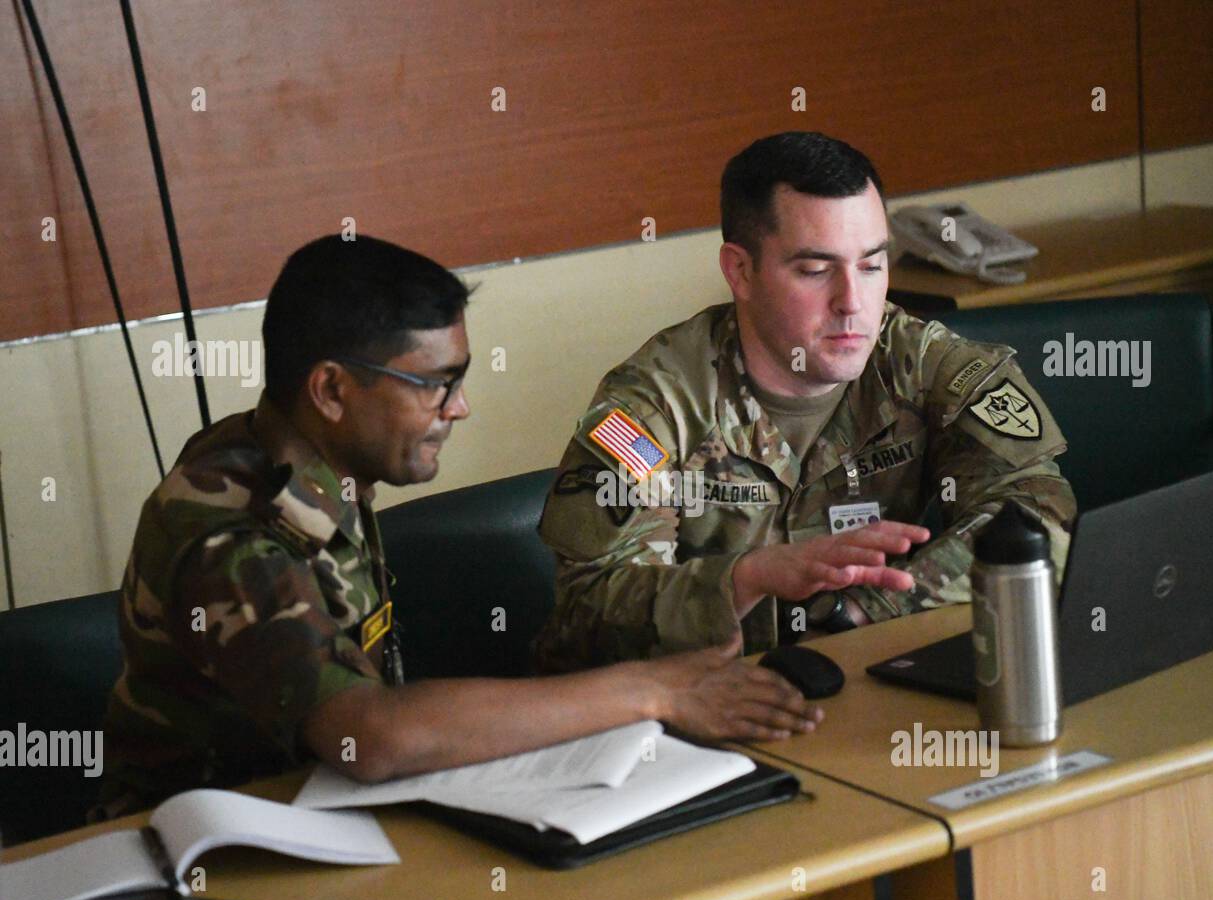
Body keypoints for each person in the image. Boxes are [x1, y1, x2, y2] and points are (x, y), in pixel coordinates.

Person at [99, 235, 823, 816]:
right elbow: (368, 737)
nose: (459, 409)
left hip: (328, 814)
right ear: (330, 389)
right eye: (435, 384)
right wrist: (653, 691)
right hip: (207, 858)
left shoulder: (307, 459)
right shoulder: (235, 535)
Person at [535, 131, 1076, 671]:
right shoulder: (654, 406)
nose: (853, 303)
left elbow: (1038, 514)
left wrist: (862, 611)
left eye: (871, 266)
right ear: (740, 271)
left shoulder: (920, 362)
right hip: (692, 716)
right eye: (816, 271)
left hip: (867, 683)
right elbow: (589, 618)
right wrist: (745, 579)